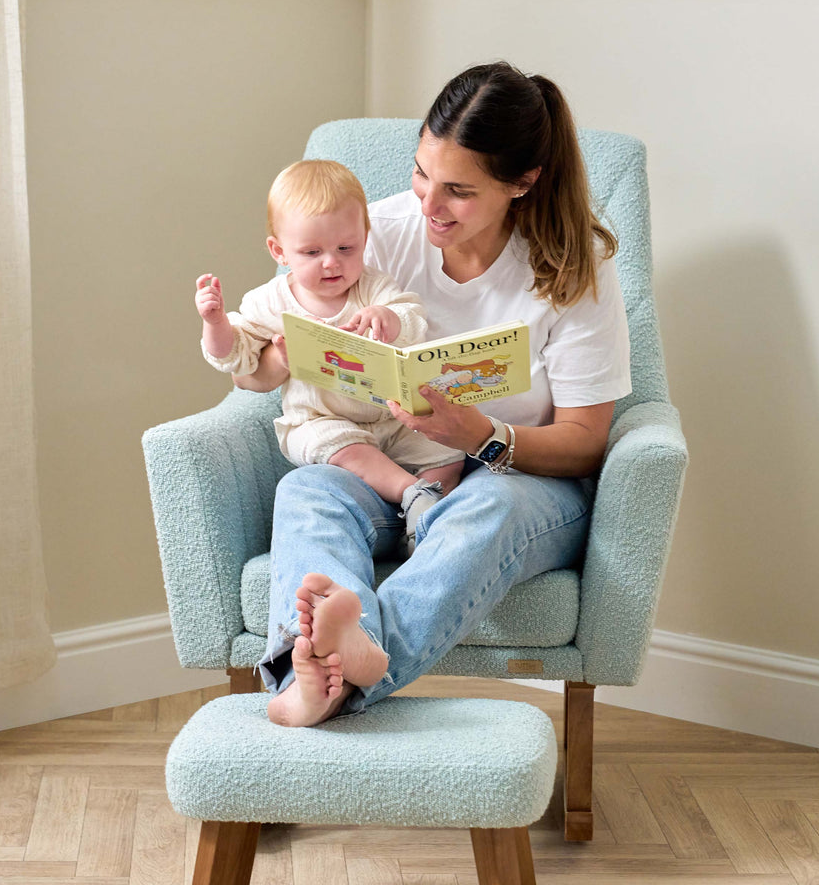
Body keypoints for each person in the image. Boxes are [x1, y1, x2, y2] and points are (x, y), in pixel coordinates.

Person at [235, 63, 632, 728]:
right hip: (395, 466)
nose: (427, 205)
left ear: (521, 184)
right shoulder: (376, 232)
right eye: (421, 174)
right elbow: (281, 328)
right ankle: (331, 665)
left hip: (518, 480)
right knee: (307, 491)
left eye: (457, 191)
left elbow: (586, 443)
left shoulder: (571, 269)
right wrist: (278, 352)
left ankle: (349, 667)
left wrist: (479, 436)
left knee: (488, 508)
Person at [197, 160, 465, 564]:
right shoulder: (268, 302)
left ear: (364, 238)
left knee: (447, 455)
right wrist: (215, 323)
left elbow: (413, 317)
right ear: (279, 251)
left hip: (392, 418)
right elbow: (235, 356)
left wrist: (389, 319)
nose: (331, 263)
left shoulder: (373, 286)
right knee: (340, 445)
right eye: (312, 252)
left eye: (346, 248)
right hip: (322, 421)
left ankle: (422, 525)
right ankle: (412, 493)